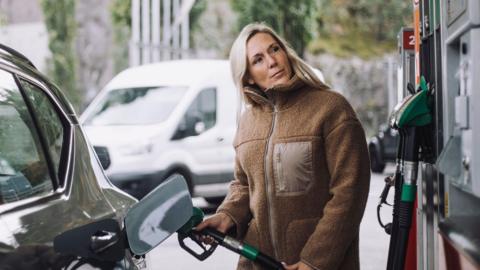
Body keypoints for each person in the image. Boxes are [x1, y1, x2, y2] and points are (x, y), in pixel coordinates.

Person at [195, 22, 370, 270]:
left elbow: (349, 193)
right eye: (258, 59)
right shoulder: (248, 122)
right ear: (248, 77)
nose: (272, 61)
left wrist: (314, 261)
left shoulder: (331, 109)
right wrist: (227, 216)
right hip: (257, 261)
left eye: (274, 49)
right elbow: (244, 185)